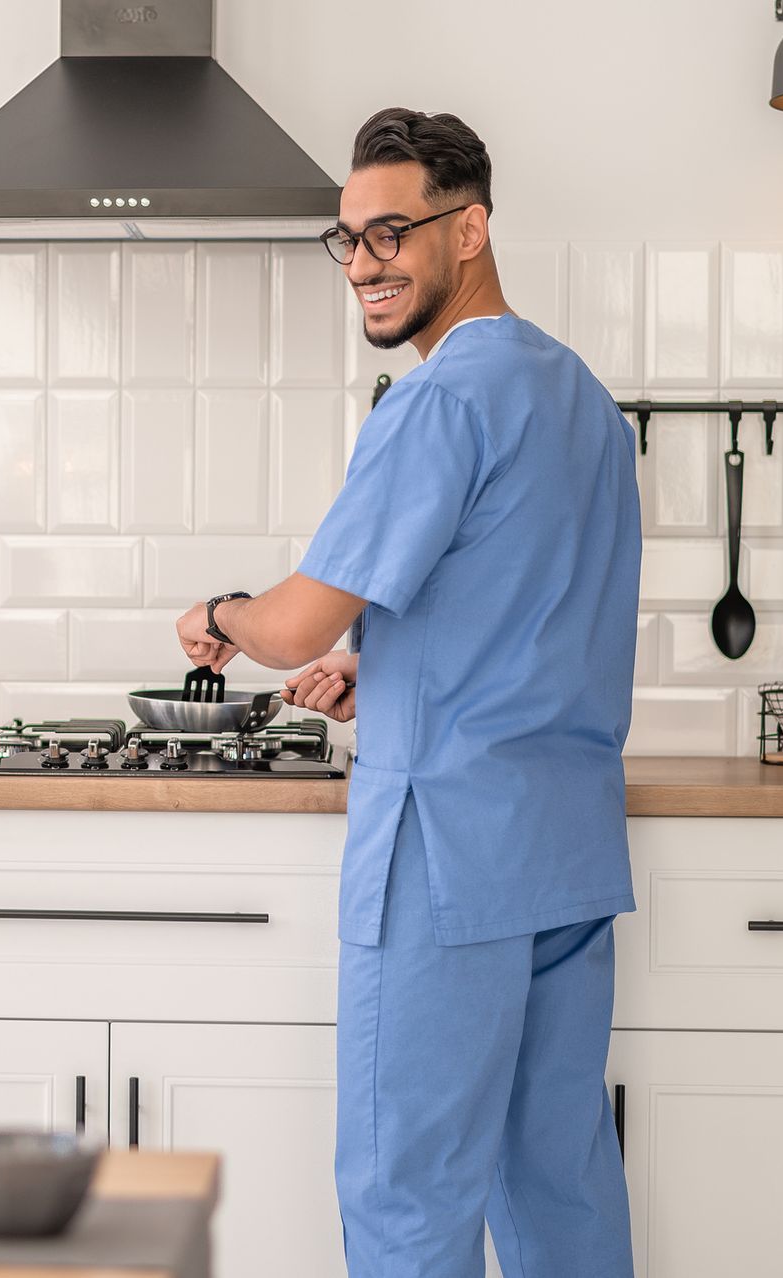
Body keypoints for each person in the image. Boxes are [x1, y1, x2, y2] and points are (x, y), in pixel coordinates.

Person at [174, 108, 639, 1277]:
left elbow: (289, 626)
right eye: (350, 240)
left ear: (468, 228)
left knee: (407, 1194)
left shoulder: (435, 401)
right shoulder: (581, 398)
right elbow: (525, 594)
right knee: (560, 1187)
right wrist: (385, 666)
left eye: (393, 232)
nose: (368, 263)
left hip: (446, 854)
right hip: (565, 848)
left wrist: (221, 615)